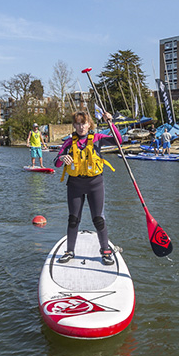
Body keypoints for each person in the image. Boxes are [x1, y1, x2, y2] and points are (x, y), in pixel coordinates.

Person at [54, 110, 122, 265]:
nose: (80, 127)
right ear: (74, 125)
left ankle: (105, 251)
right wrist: (62, 158)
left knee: (98, 219)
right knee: (73, 219)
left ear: (89, 124)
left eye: (83, 123)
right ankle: (69, 251)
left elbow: (118, 141)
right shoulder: (68, 142)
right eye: (77, 123)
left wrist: (110, 123)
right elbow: (57, 162)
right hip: (75, 185)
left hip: (95, 185)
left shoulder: (98, 139)